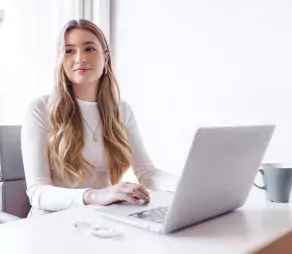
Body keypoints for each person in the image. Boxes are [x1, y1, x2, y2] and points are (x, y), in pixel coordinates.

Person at [21, 19, 178, 217]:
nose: (80, 58)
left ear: (106, 58)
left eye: (89, 49)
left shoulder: (121, 110)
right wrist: (96, 196)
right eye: (69, 51)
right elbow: (37, 192)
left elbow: (147, 173)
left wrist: (184, 185)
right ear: (61, 60)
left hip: (101, 220)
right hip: (52, 222)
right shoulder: (40, 108)